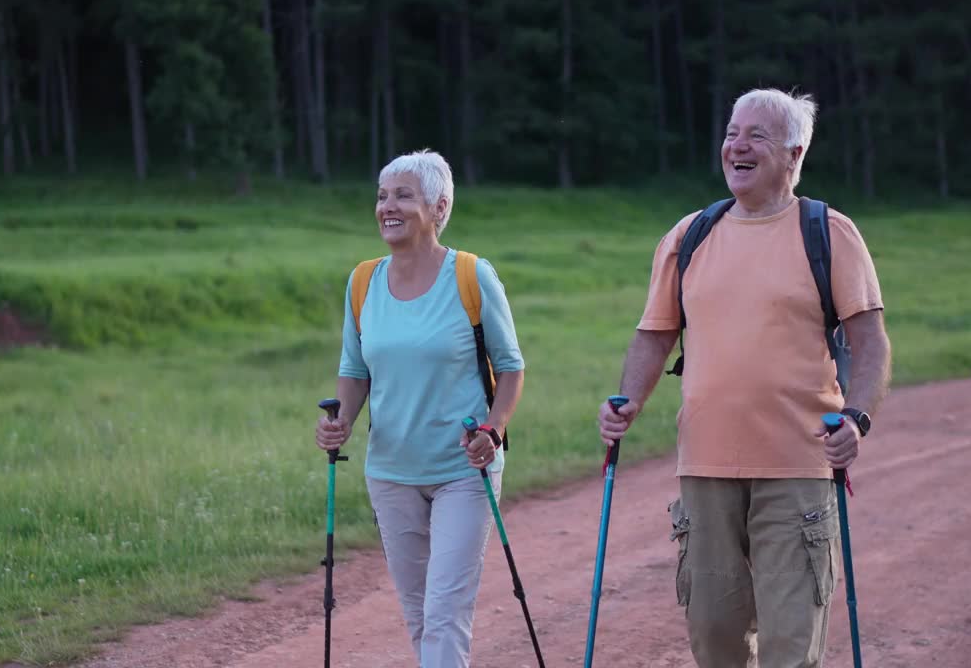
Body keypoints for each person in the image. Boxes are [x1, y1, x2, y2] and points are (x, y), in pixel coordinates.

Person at [597, 88, 892, 667]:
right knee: (715, 638)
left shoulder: (829, 233)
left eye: (757, 135)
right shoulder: (690, 236)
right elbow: (656, 334)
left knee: (790, 643)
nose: (738, 145)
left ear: (794, 153)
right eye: (732, 133)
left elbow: (870, 343)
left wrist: (857, 419)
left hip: (798, 466)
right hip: (705, 467)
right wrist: (628, 400)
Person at [315, 149, 526, 668]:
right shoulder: (363, 281)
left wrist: (494, 429)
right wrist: (338, 421)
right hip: (390, 471)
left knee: (444, 609)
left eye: (403, 196)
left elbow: (511, 367)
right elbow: (355, 368)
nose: (388, 206)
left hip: (463, 469)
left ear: (439, 206)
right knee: (418, 613)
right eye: (383, 196)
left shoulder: (473, 277)